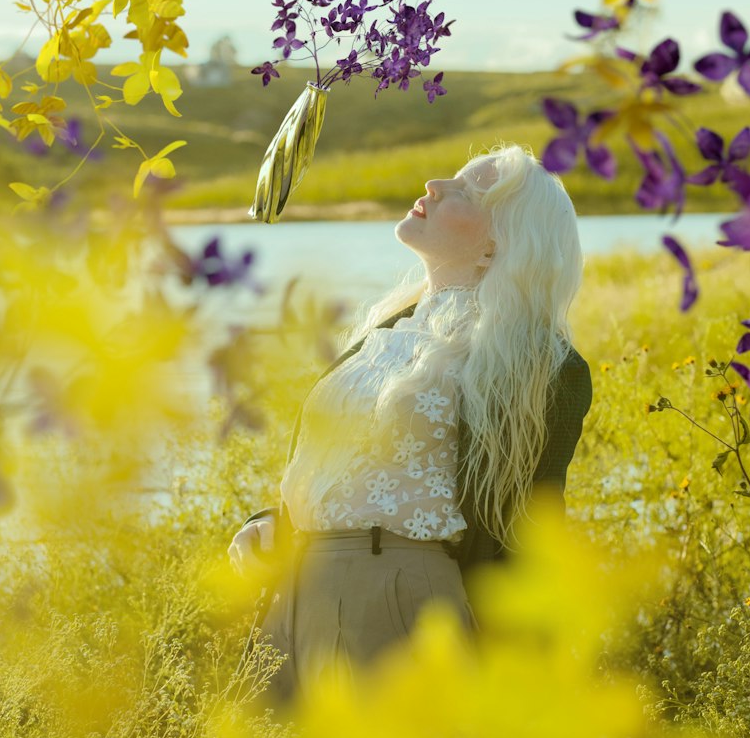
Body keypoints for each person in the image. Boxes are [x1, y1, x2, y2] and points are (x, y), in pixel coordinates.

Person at [228, 141, 592, 706]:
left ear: (499, 245)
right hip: (293, 596)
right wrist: (272, 523)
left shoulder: (539, 365)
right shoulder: (384, 333)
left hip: (399, 600)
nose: (433, 186)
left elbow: (526, 529)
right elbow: (347, 471)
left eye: (467, 191)